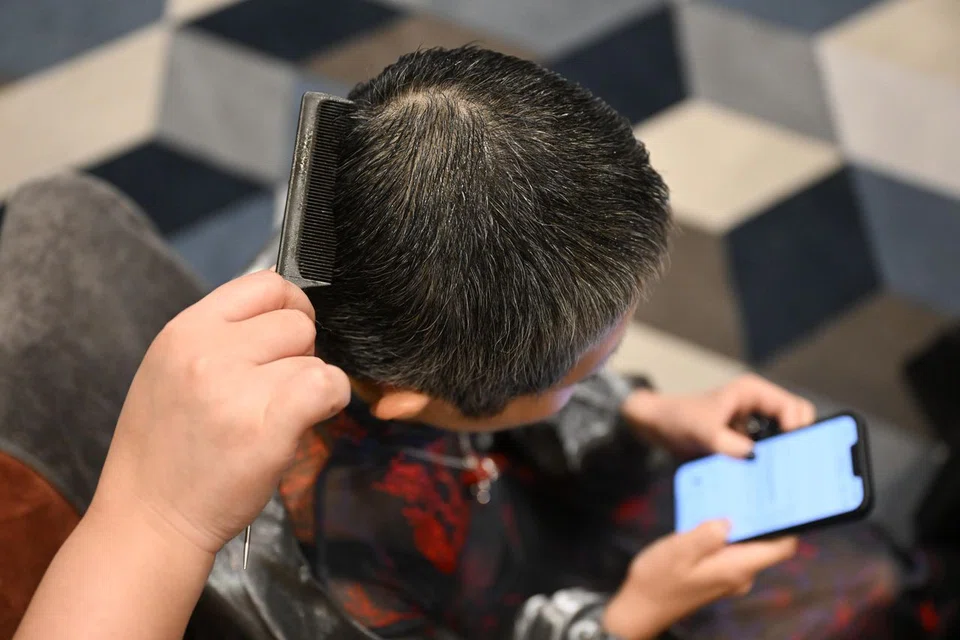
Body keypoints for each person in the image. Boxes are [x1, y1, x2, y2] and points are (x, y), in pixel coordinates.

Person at [4, 48, 956, 640]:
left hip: (521, 499)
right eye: (581, 372)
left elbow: (541, 389)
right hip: (510, 604)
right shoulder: (322, 572)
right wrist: (626, 621)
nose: (606, 374)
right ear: (418, 404)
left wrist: (648, 410)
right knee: (862, 590)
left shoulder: (341, 238)